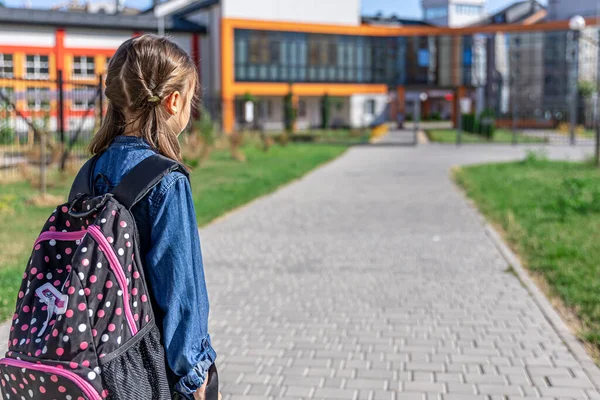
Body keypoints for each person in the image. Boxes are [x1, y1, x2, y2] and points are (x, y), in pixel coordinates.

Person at [87, 34, 216, 400]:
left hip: (95, 361)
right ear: (174, 102)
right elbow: (179, 288)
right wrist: (193, 372)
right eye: (190, 99)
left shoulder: (90, 172)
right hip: (151, 369)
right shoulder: (166, 180)